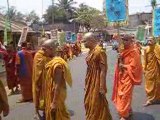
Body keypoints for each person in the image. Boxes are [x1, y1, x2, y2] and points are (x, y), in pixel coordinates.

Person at [112, 34, 142, 120]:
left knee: (125, 95)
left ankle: (124, 115)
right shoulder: (122, 50)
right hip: (121, 76)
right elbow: (120, 64)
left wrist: (124, 66)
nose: (124, 42)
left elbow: (135, 66)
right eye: (123, 40)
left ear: (131, 41)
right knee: (122, 94)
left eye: (126, 40)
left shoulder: (134, 51)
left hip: (129, 76)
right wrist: (119, 58)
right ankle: (128, 109)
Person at [83, 32, 112, 120]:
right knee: (89, 101)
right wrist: (87, 83)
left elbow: (103, 69)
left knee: (96, 102)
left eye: (85, 41)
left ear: (91, 40)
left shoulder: (100, 51)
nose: (83, 43)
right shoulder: (90, 51)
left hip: (97, 81)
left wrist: (102, 86)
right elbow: (89, 69)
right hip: (90, 80)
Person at [44, 39, 72, 120]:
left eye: (44, 49)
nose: (43, 51)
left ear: (51, 48)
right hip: (52, 94)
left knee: (59, 116)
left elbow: (57, 84)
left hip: (56, 96)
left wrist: (54, 102)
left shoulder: (57, 64)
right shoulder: (52, 61)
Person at [32, 41, 52, 119]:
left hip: (49, 79)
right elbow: (38, 71)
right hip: (41, 80)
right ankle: (37, 112)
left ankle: (47, 112)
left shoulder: (48, 54)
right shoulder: (39, 55)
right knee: (40, 96)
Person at [143, 37, 160, 106]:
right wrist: (144, 68)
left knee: (158, 84)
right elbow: (145, 60)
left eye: (151, 40)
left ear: (154, 40)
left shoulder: (158, 48)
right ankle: (150, 99)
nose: (149, 41)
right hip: (149, 70)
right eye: (148, 40)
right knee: (149, 85)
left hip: (158, 69)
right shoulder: (146, 49)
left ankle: (158, 97)